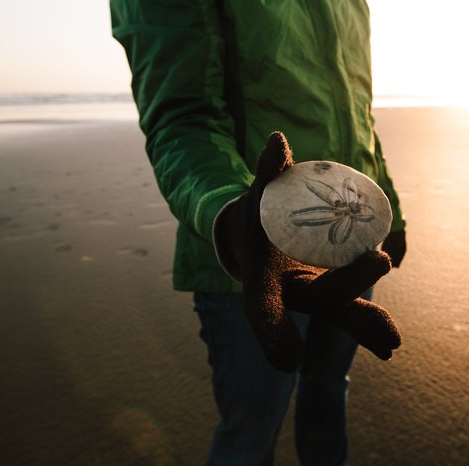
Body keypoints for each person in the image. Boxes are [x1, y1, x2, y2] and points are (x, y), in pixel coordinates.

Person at [110, 1, 407, 465]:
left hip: (352, 249)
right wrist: (232, 218)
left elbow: (358, 113)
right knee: (251, 429)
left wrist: (391, 204)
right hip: (248, 260)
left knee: (329, 389)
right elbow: (182, 116)